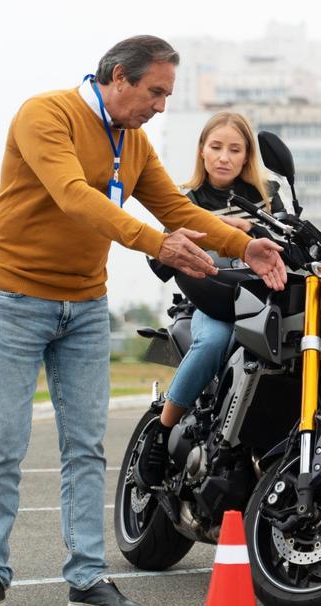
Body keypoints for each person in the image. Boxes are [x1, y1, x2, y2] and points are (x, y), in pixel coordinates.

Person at [0, 36, 286, 606]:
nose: (161, 105)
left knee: (85, 445)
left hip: (83, 304)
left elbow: (180, 211)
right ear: (118, 76)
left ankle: (87, 578)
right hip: (15, 294)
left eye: (168, 94)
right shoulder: (47, 114)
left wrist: (246, 246)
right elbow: (74, 197)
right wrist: (157, 243)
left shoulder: (131, 141)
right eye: (155, 91)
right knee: (4, 440)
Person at [134, 111, 284, 489]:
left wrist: (252, 227)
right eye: (216, 147)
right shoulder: (186, 201)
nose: (224, 157)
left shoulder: (268, 200)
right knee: (214, 342)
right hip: (209, 303)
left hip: (262, 304)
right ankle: (159, 433)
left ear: (247, 156)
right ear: (202, 151)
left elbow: (290, 243)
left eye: (235, 149)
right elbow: (161, 259)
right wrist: (216, 229)